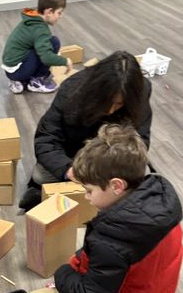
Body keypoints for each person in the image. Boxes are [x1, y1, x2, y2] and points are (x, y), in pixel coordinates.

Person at [32, 124, 183, 293]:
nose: (86, 197)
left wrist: (61, 274)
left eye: (89, 190)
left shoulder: (111, 237)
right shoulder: (161, 201)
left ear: (116, 186)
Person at [19, 50, 153, 210]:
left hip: (111, 159)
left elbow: (140, 140)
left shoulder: (140, 92)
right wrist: (68, 169)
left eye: (119, 104)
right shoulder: (72, 90)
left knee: (141, 173)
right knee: (40, 175)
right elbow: (46, 139)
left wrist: (111, 169)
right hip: (74, 156)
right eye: (106, 102)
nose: (110, 110)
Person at [1, 0, 72, 94]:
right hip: (19, 72)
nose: (61, 16)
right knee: (54, 43)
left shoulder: (32, 18)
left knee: (49, 43)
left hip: (11, 70)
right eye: (59, 13)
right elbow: (47, 58)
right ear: (49, 12)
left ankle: (18, 81)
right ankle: (36, 82)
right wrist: (65, 61)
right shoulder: (40, 29)